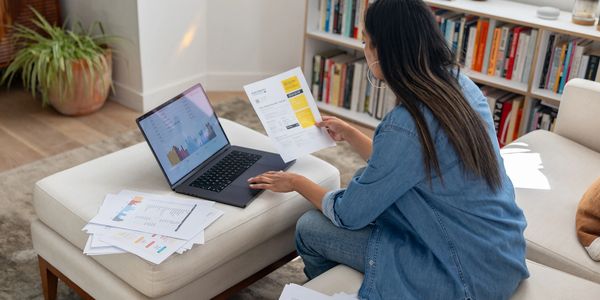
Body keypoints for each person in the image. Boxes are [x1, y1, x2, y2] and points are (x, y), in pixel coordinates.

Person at [247, 0, 529, 298]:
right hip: (501, 258)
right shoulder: (462, 86)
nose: (364, 48)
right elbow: (410, 164)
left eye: (366, 41)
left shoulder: (407, 124)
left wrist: (296, 182)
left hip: (460, 275)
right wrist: (352, 134)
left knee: (309, 227)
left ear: (381, 52)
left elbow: (348, 214)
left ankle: (333, 291)